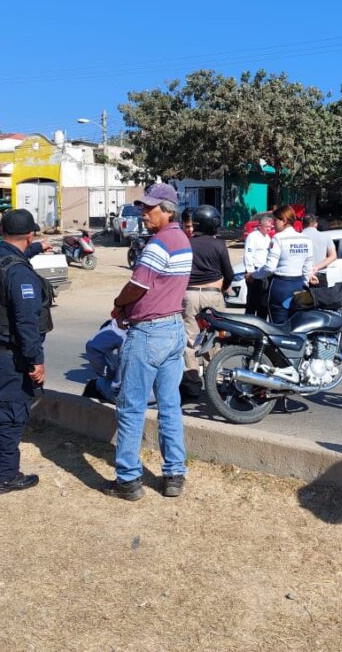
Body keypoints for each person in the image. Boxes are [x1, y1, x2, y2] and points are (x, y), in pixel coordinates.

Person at [107, 183, 192, 501]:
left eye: (150, 208)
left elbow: (137, 285)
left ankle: (128, 480)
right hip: (173, 329)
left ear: (167, 210)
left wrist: (118, 304)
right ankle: (174, 474)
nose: (143, 213)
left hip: (150, 332)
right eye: (143, 207)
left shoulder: (158, 243)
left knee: (131, 408)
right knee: (170, 406)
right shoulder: (182, 239)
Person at [0, 208, 54, 495]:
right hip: (9, 357)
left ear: (0, 231)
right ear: (30, 233)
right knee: (11, 415)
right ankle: (6, 477)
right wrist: (36, 361)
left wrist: (35, 248)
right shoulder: (20, 274)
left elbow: (11, 254)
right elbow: (26, 322)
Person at [181, 205, 234, 394]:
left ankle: (191, 384)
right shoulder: (219, 244)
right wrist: (223, 286)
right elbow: (229, 273)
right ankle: (216, 382)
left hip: (189, 295)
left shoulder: (185, 243)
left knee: (190, 339)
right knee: (216, 338)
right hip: (213, 295)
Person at [251, 205, 313, 324]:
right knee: (296, 325)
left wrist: (253, 275)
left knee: (278, 327)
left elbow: (270, 267)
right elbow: (307, 270)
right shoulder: (306, 239)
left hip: (281, 286)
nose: (273, 223)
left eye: (276, 220)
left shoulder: (278, 238)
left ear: (284, 220)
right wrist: (305, 288)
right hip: (299, 286)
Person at [243, 213, 273, 319]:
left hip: (264, 272)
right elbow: (248, 254)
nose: (269, 229)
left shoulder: (268, 238)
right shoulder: (253, 237)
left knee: (263, 304)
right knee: (252, 302)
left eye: (270, 227)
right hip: (254, 272)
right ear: (260, 226)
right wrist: (250, 271)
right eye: (266, 226)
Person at [301, 214, 337, 287]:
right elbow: (333, 256)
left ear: (303, 224)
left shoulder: (298, 237)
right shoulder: (325, 236)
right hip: (320, 276)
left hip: (302, 277)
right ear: (316, 224)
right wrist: (316, 267)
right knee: (322, 298)